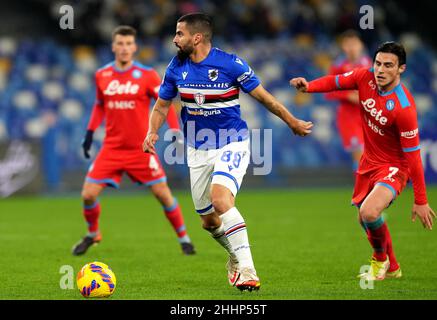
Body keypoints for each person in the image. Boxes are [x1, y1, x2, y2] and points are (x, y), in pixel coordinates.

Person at [143, 13, 313, 291]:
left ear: (196, 37)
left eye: (179, 34)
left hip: (231, 142)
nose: (174, 39)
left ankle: (248, 270)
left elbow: (264, 97)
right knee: (209, 222)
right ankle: (234, 257)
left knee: (220, 199)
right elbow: (162, 106)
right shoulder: (176, 66)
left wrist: (291, 120)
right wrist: (152, 131)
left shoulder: (230, 64)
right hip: (197, 148)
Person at [290, 41, 435, 281]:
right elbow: (335, 82)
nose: (380, 70)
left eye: (388, 65)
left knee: (369, 212)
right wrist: (309, 86)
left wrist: (420, 200)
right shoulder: (364, 77)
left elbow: (414, 156)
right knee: (364, 218)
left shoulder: (404, 108)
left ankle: (379, 261)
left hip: (394, 167)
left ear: (401, 69)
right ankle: (393, 267)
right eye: (378, 63)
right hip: (369, 162)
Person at [72, 26, 196, 256]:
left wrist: (176, 132)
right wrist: (90, 132)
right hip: (111, 148)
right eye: (120, 43)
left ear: (134, 47)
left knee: (163, 194)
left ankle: (184, 239)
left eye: (129, 44)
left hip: (141, 149)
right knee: (88, 194)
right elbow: (100, 105)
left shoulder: (147, 75)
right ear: (113, 46)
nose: (124, 48)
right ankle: (93, 234)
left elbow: (164, 103)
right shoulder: (102, 75)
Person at [325, 30, 371, 172]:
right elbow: (328, 91)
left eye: (354, 44)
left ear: (361, 45)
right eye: (348, 44)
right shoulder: (337, 66)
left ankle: (367, 190)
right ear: (343, 46)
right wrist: (348, 95)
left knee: (370, 156)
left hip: (369, 115)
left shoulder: (370, 65)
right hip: (349, 117)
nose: (352, 48)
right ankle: (361, 191)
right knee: (359, 155)